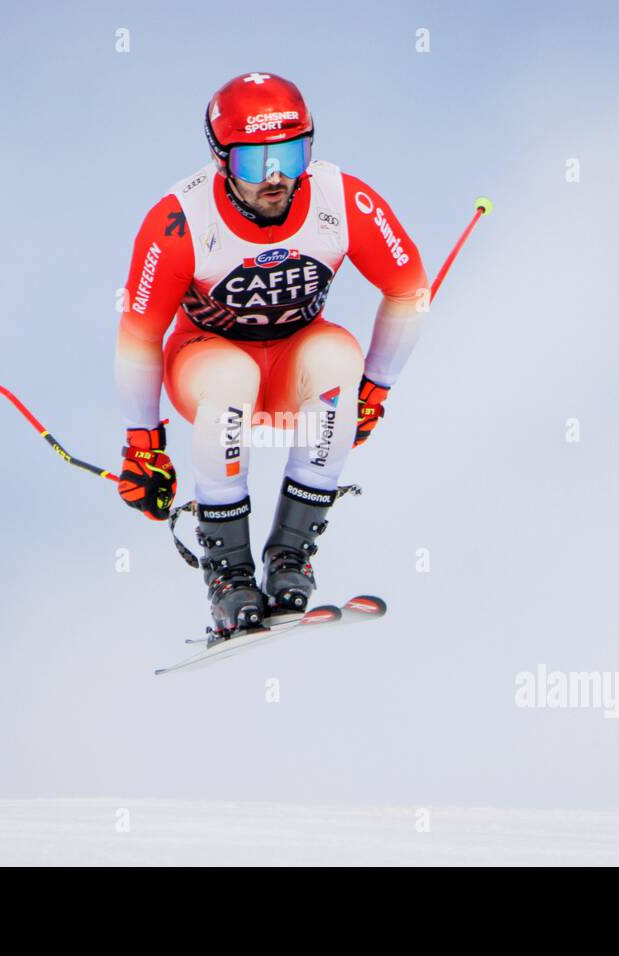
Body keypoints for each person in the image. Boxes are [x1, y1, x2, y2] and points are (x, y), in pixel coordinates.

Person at [115, 71, 428, 637]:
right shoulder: (180, 219)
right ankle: (228, 576)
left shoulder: (340, 198)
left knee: (338, 365)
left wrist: (374, 390)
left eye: (292, 153)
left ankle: (290, 558)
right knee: (230, 377)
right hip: (207, 356)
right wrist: (144, 447)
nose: (277, 177)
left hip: (294, 357)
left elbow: (409, 288)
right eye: (254, 164)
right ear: (221, 161)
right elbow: (139, 334)